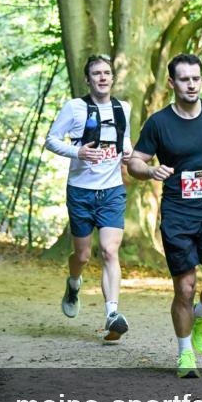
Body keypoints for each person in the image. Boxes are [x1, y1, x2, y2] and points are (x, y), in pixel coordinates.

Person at [127, 53, 202, 379]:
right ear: (172, 82)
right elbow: (135, 161)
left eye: (196, 78)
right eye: (184, 79)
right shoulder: (159, 123)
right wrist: (149, 170)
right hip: (178, 215)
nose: (191, 84)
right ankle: (185, 354)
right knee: (185, 288)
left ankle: (201, 316)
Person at [45, 54, 132, 341]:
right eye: (97, 73)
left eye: (107, 73)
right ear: (88, 79)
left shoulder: (123, 108)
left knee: (109, 251)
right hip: (81, 191)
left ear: (112, 77)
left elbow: (125, 139)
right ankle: (73, 283)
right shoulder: (75, 107)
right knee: (81, 255)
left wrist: (128, 150)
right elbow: (51, 139)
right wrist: (78, 152)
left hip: (112, 191)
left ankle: (112, 314)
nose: (103, 77)